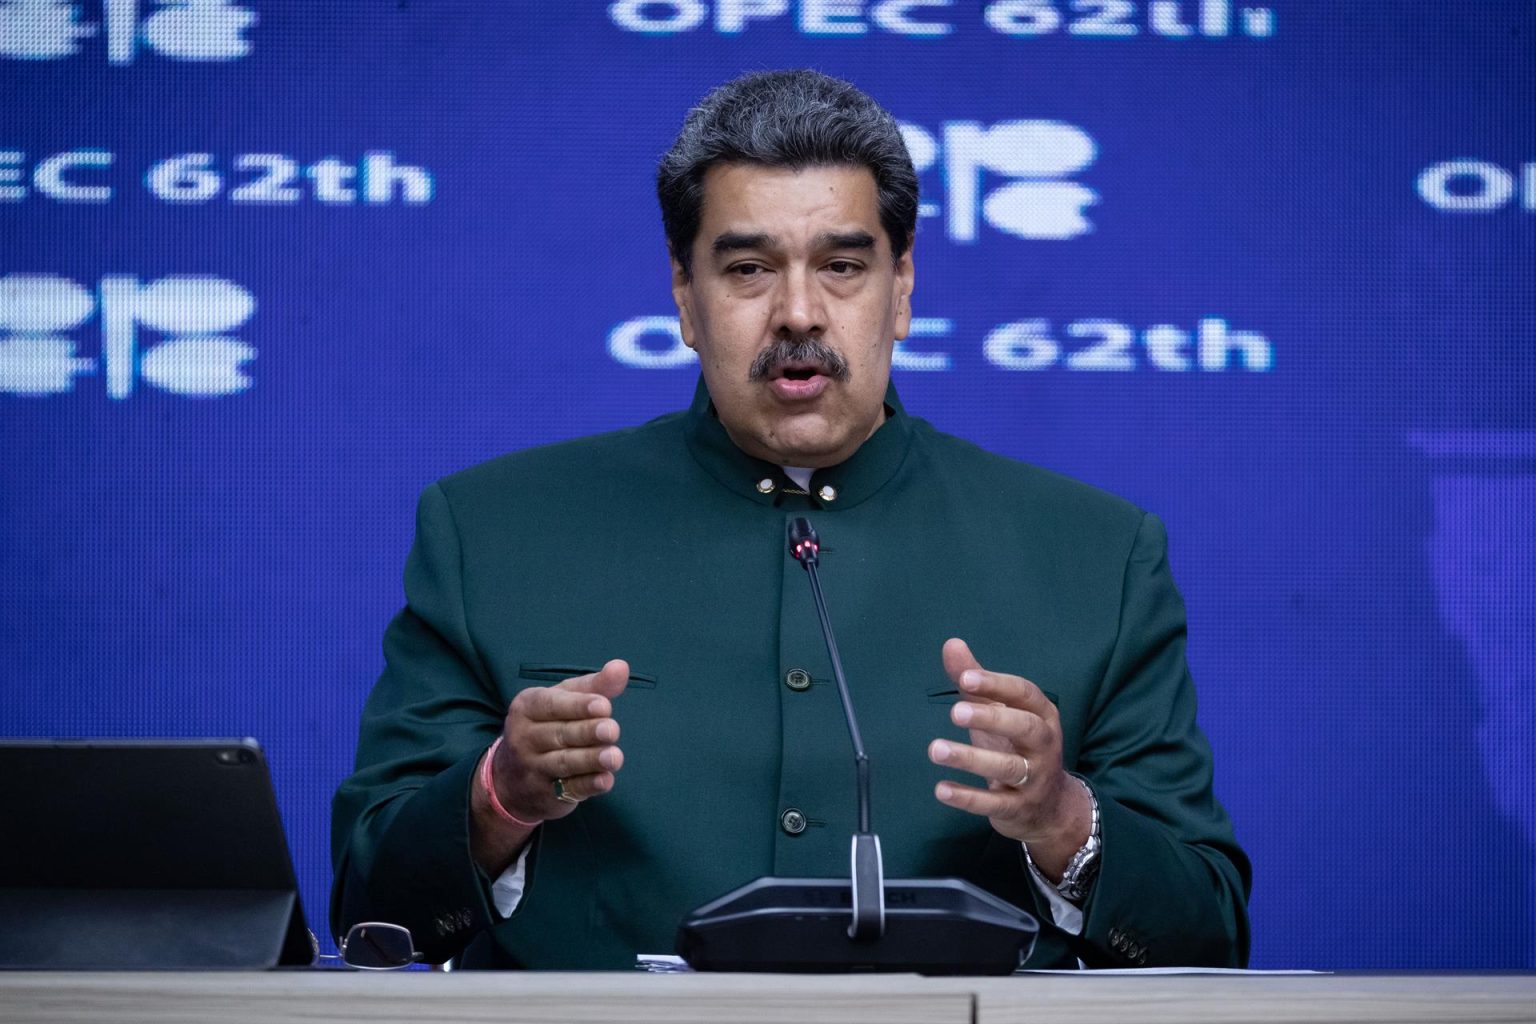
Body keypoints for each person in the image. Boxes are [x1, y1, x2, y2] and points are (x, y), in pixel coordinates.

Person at [330, 69, 1250, 971]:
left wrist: (1060, 817)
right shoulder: (493, 532)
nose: (799, 313)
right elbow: (367, 909)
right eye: (747, 269)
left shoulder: (1096, 554)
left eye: (844, 266)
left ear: (902, 290)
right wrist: (501, 795)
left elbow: (1207, 931)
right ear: (686, 300)